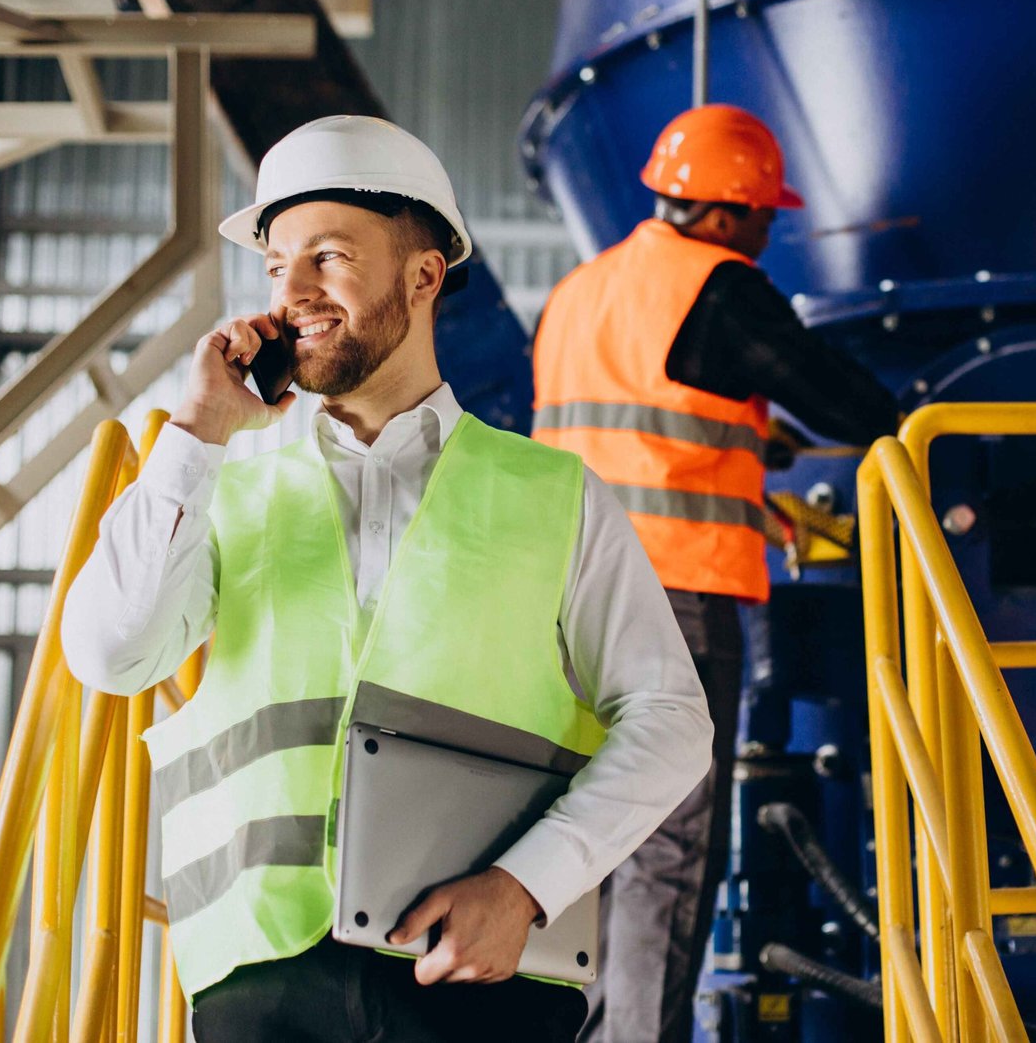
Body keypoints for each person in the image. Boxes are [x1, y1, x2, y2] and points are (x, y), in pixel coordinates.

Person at [60, 115, 713, 1043]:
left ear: (423, 274)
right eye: (277, 264)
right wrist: (197, 434)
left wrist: (528, 886)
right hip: (260, 980)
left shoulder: (554, 495)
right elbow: (111, 654)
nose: (291, 292)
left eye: (328, 257)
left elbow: (672, 719)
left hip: (483, 972)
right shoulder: (218, 485)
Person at [531, 103, 899, 1043]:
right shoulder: (722, 288)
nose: (771, 234)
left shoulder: (581, 290)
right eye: (766, 215)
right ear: (730, 210)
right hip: (677, 603)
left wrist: (749, 438)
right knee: (670, 847)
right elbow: (850, 403)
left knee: (588, 843)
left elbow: (643, 422)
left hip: (562, 610)